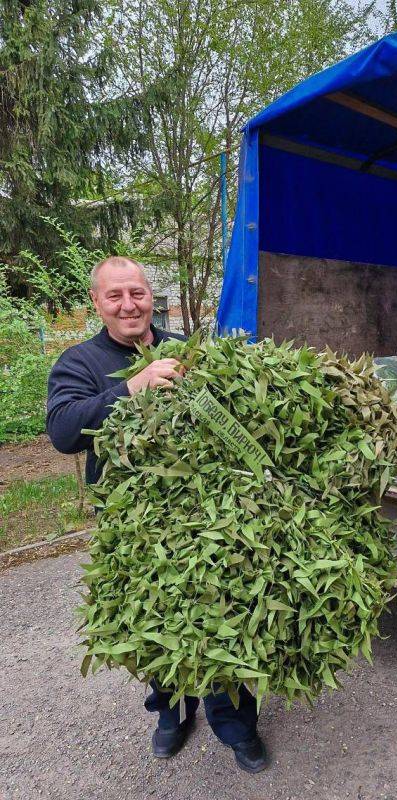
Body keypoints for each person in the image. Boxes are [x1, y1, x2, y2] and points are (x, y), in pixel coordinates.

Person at [46, 256, 268, 773]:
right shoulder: (79, 362)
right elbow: (63, 432)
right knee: (154, 624)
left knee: (221, 619)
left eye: (137, 293)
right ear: (96, 303)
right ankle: (171, 715)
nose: (129, 305)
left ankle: (236, 725)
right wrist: (130, 387)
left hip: (205, 520)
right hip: (134, 531)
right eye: (115, 296)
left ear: (152, 296)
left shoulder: (184, 351)